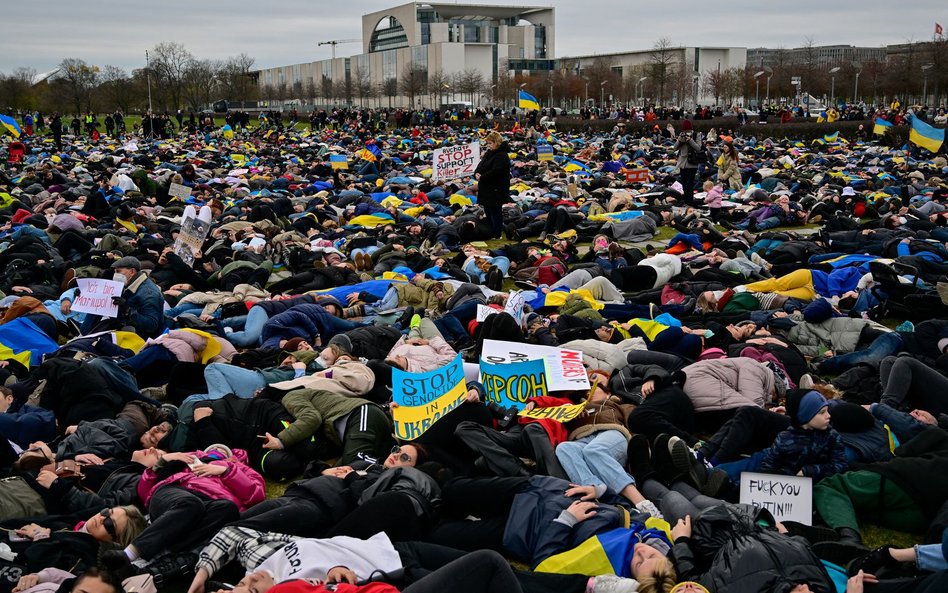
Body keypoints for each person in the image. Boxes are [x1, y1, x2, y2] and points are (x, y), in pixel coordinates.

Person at [79, 257, 166, 339]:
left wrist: (128, 310)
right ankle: (84, 330)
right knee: (99, 302)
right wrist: (86, 293)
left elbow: (151, 325)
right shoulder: (128, 283)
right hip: (122, 323)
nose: (115, 275)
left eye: (118, 271)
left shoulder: (148, 293)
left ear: (132, 271)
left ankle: (86, 334)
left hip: (137, 334)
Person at [474, 131, 512, 239]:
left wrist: (482, 177)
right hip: (487, 187)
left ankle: (497, 233)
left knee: (495, 211)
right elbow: (480, 165)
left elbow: (497, 172)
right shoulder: (489, 154)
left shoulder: (502, 156)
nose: (488, 146)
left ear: (496, 142)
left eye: (490, 143)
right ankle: (491, 230)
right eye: (488, 144)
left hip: (496, 188)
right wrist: (476, 173)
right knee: (488, 209)